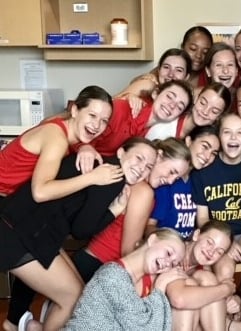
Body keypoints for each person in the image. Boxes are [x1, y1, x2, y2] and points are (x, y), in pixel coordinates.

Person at [0, 137, 158, 330]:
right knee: (73, 298)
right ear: (121, 152)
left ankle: (14, 324)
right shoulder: (112, 176)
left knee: (78, 294)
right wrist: (115, 211)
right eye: (139, 158)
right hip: (21, 234)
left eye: (149, 166)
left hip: (28, 228)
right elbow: (81, 230)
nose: (142, 168)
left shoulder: (102, 162)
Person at [0, 85, 118, 331]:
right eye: (92, 115)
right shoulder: (56, 136)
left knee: (76, 290)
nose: (97, 125)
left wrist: (85, 146)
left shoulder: (64, 133)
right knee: (72, 295)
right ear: (74, 109)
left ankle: (16, 325)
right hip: (7, 220)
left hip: (16, 216)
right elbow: (40, 192)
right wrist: (93, 177)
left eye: (104, 121)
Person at [71, 137, 192, 284]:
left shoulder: (140, 186)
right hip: (96, 266)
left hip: (97, 262)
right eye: (172, 171)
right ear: (159, 156)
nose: (171, 180)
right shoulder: (143, 192)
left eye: (177, 177)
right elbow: (128, 253)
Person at [63, 228, 187, 331]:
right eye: (169, 253)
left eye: (173, 264)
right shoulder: (113, 275)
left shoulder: (134, 280)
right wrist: (160, 287)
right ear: (153, 240)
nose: (167, 263)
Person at [191, 112, 241, 283]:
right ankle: (229, 306)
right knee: (224, 271)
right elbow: (203, 217)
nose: (233, 137)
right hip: (219, 236)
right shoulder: (203, 171)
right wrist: (225, 243)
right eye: (227, 132)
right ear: (219, 137)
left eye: (240, 132)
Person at [75, 80, 193, 173]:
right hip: (79, 161)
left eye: (179, 106)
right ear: (155, 94)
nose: (172, 105)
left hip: (103, 170)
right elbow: (79, 126)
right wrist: (84, 147)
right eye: (169, 97)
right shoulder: (121, 109)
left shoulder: (150, 135)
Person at [146, 125, 220, 239]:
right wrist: (173, 242)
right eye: (205, 146)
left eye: (214, 153)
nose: (207, 156)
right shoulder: (165, 180)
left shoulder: (198, 181)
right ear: (189, 141)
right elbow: (149, 227)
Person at [165, 220, 236, 331]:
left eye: (219, 251)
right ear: (197, 235)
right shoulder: (173, 251)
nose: (211, 252)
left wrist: (233, 300)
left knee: (207, 278)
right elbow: (179, 299)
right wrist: (226, 289)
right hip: (152, 315)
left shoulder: (204, 270)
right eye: (209, 242)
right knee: (192, 286)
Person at [146, 82, 231, 140]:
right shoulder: (164, 128)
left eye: (214, 111)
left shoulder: (207, 138)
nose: (205, 112)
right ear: (196, 99)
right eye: (203, 103)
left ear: (219, 116)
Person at [115, 48, 192, 101]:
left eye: (178, 70)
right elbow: (112, 104)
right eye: (166, 67)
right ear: (158, 70)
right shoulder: (148, 85)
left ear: (186, 77)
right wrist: (128, 97)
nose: (171, 74)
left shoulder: (185, 100)